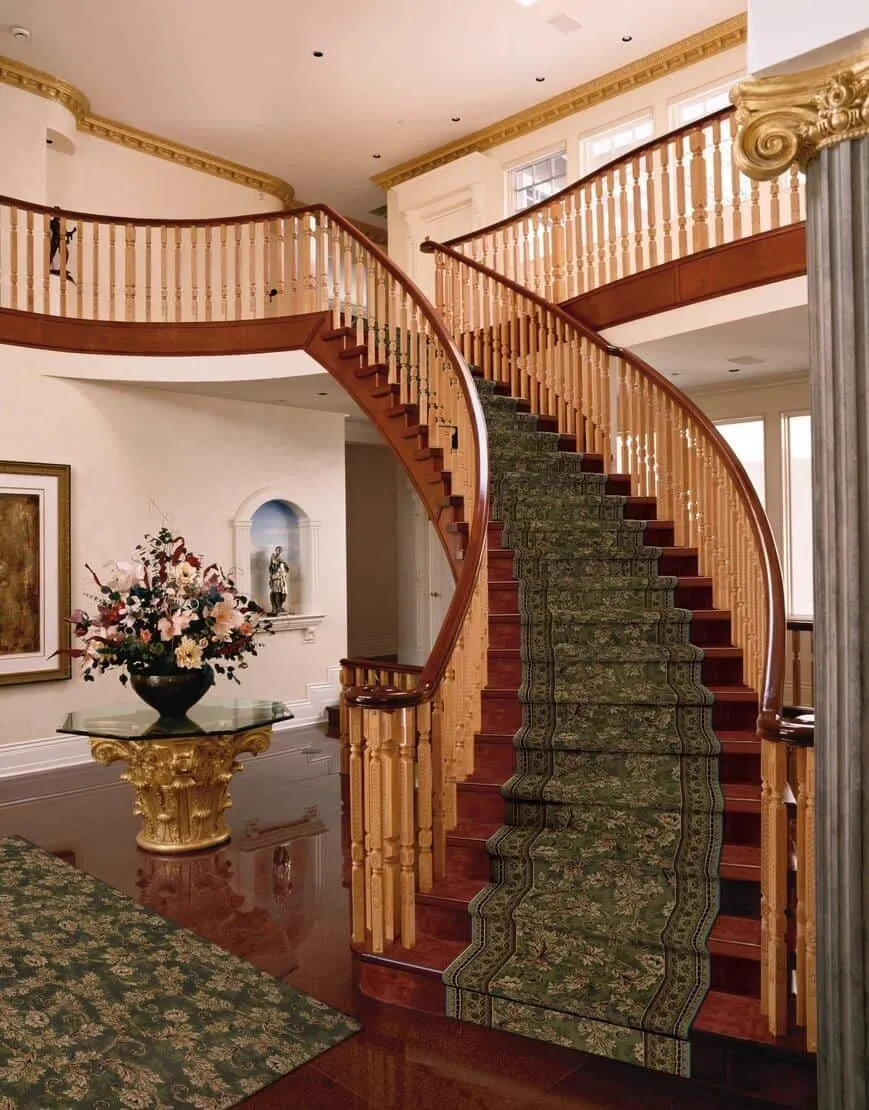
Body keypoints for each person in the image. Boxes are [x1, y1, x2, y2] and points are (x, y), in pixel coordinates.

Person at [268, 546, 290, 615]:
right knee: (276, 593)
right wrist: (276, 562)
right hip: (276, 578)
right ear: (276, 550)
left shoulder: (281, 559)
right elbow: (272, 568)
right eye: (278, 550)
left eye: (280, 550)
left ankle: (280, 607)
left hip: (282, 579)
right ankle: (277, 608)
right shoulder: (273, 557)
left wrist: (283, 563)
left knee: (283, 594)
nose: (279, 551)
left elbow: (286, 569)